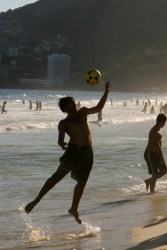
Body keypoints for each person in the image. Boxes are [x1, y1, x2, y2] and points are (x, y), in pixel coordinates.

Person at [24, 81, 111, 224]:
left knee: (82, 182)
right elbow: (60, 140)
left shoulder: (83, 112)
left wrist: (106, 91)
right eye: (70, 103)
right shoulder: (64, 123)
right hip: (73, 153)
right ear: (65, 108)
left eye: (73, 102)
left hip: (88, 153)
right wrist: (62, 144)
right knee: (56, 177)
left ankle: (74, 208)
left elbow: (98, 108)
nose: (74, 104)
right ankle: (36, 200)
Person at [144, 114, 167, 193]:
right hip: (150, 153)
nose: (164, 124)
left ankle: (148, 181)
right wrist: (161, 157)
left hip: (155, 153)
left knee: (164, 171)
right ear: (161, 122)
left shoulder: (156, 130)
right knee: (155, 174)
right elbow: (157, 146)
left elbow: (158, 145)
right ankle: (152, 192)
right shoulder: (154, 130)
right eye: (164, 122)